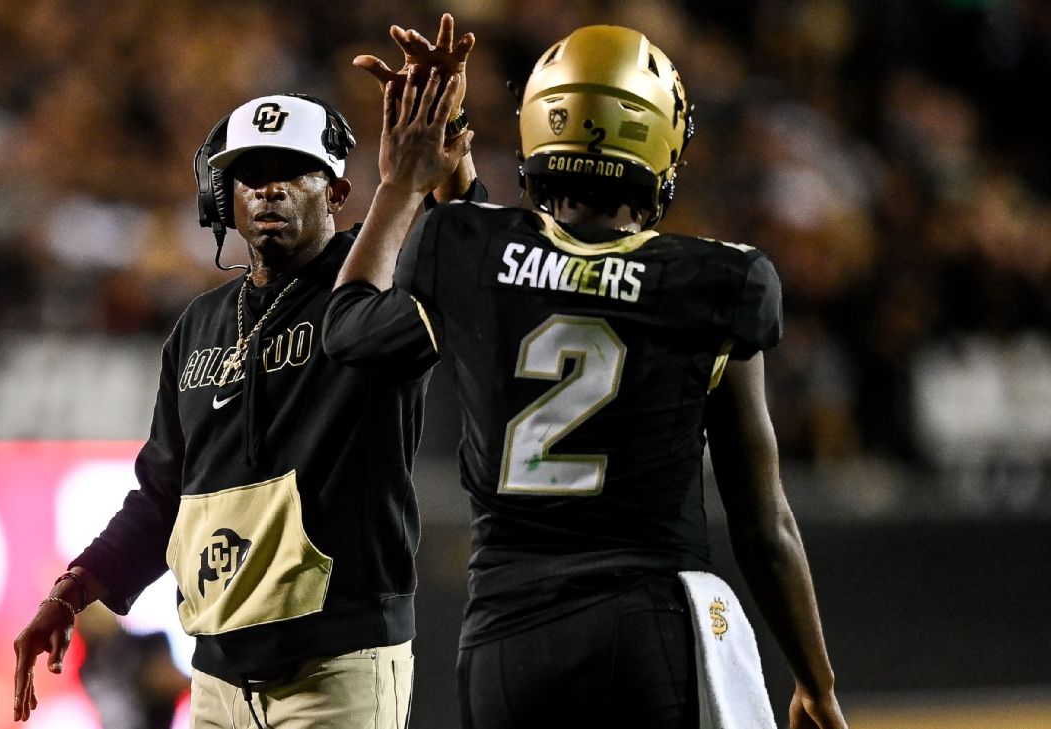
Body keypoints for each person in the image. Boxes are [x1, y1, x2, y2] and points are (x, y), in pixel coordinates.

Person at [324, 24, 847, 729]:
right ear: (660, 140)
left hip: (506, 639)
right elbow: (764, 521)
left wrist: (403, 178)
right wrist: (816, 680)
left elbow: (352, 322)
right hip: (645, 623)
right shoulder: (718, 280)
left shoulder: (464, 247)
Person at [10, 18, 482, 727]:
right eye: (250, 176)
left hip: (339, 667)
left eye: (293, 172)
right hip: (216, 677)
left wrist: (447, 168)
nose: (269, 191)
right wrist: (73, 590)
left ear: (339, 192)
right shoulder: (199, 325)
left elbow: (476, 277)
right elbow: (162, 497)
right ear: (222, 198)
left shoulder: (372, 291)